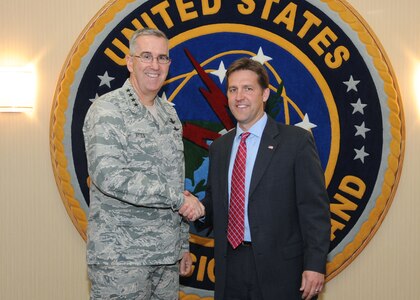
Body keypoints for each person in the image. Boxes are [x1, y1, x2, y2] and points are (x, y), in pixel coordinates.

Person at [83, 28, 204, 299]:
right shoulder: (108, 110)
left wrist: (181, 244)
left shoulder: (169, 114)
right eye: (146, 56)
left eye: (162, 58)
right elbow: (109, 176)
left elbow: (176, 180)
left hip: (166, 258)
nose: (155, 65)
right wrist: (177, 199)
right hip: (121, 259)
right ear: (130, 61)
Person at [200, 57, 331, 299]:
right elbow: (215, 202)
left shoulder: (296, 142)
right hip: (230, 267)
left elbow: (314, 210)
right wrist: (196, 208)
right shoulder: (219, 147)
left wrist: (314, 264)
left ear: (265, 94)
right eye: (233, 89)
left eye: (248, 88)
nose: (239, 96)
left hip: (282, 270)